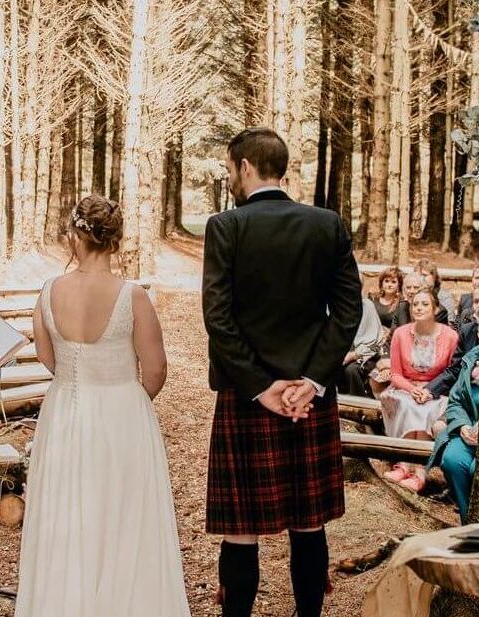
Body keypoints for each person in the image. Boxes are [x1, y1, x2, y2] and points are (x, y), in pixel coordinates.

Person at [204, 128, 362, 617]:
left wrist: (259, 386)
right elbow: (349, 311)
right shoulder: (326, 224)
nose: (230, 178)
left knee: (241, 528)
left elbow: (218, 317)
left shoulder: (225, 226)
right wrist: (312, 381)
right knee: (309, 523)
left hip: (247, 397)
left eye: (231, 169)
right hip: (307, 399)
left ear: (246, 167)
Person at [16, 196, 186, 616]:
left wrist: (80, 381)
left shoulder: (47, 291)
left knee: (65, 517)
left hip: (64, 412)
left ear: (75, 237)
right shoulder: (133, 296)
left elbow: (46, 355)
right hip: (122, 417)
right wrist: (126, 400)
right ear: (115, 241)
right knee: (122, 518)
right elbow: (157, 369)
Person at [377, 292, 459, 491]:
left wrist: (430, 390)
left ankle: (420, 472)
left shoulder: (450, 336)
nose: (419, 308)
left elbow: (452, 372)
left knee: (426, 407)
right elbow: (395, 374)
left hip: (436, 390)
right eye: (415, 305)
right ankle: (403, 465)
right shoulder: (401, 333)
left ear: (436, 309)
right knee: (407, 403)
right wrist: (412, 389)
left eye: (424, 304)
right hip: (404, 387)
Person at [426, 348, 479, 523]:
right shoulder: (472, 358)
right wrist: (463, 425)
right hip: (468, 430)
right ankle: (468, 522)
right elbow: (455, 401)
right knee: (452, 461)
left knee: (476, 469)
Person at [341, 291, 387, 396]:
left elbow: (374, 344)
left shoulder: (367, 306)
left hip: (367, 355)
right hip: (342, 352)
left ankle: (358, 408)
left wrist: (353, 355)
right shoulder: (337, 305)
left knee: (352, 370)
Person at [368, 267, 408, 331]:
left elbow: (402, 329)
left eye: (393, 282)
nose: (389, 285)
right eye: (386, 281)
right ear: (381, 283)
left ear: (399, 285)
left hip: (390, 338)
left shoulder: (402, 304)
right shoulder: (372, 299)